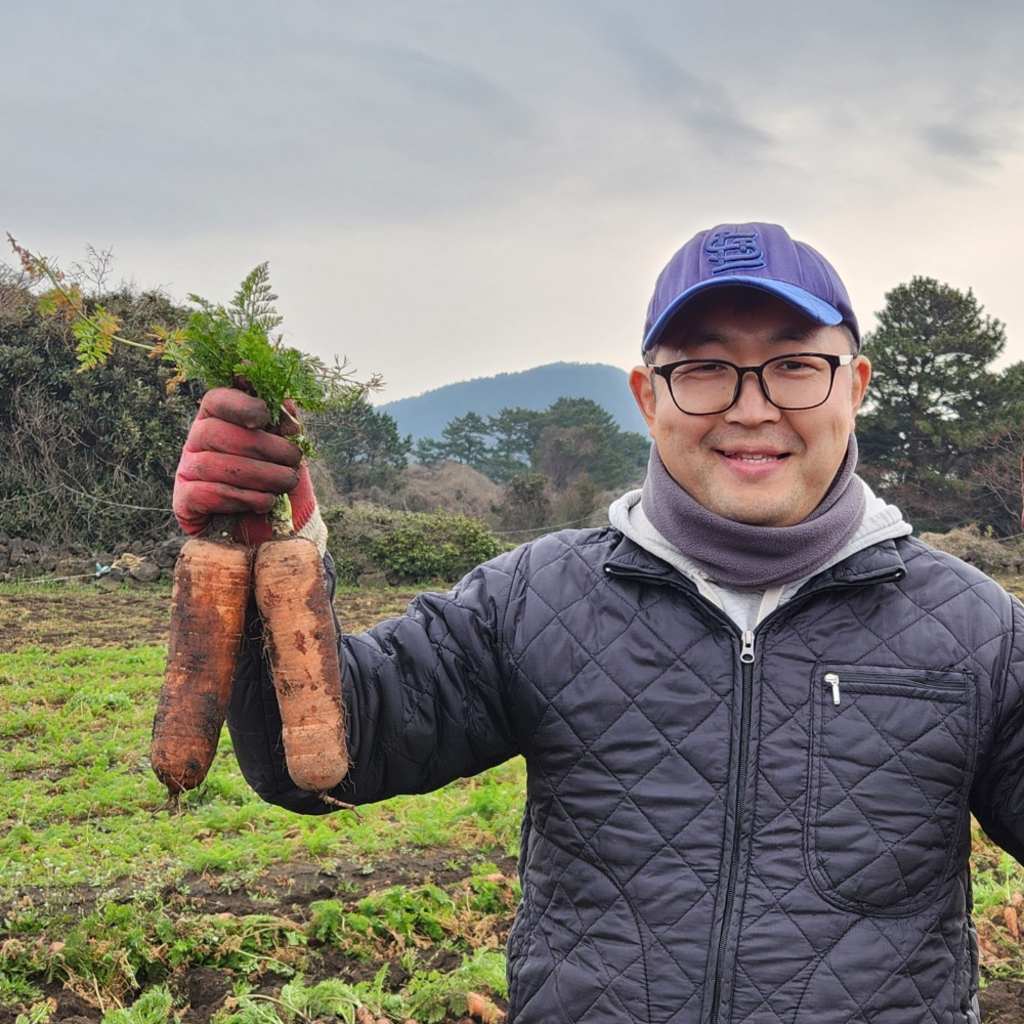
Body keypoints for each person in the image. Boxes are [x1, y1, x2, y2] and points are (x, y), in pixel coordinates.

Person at [172, 222, 1024, 1024]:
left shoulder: (975, 630)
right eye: (705, 370)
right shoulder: (538, 599)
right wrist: (270, 558)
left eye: (797, 366)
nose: (753, 408)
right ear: (648, 398)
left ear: (856, 385)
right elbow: (322, 757)